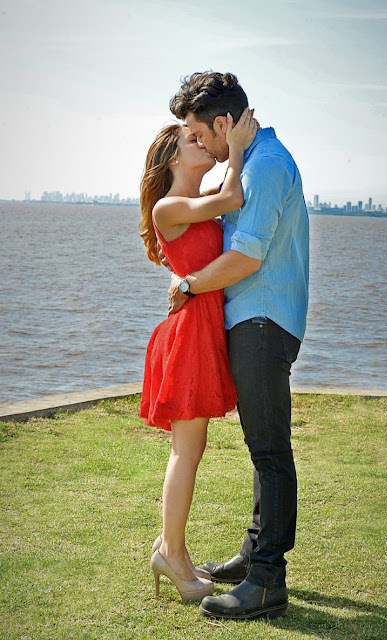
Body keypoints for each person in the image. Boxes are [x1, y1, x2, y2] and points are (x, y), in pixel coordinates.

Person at [167, 72, 309, 620]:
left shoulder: (265, 166)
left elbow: (247, 258)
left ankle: (268, 579)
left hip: (263, 320)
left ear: (224, 124)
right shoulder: (249, 162)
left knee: (269, 449)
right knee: (260, 446)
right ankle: (255, 555)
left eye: (201, 134)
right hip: (252, 318)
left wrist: (188, 285)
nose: (199, 143)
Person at [138, 108, 257, 601]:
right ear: (172, 159)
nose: (203, 144)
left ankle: (170, 549)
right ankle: (172, 554)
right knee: (186, 452)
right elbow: (233, 197)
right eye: (193, 140)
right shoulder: (168, 207)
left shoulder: (194, 199)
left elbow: (222, 206)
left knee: (192, 449)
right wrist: (238, 148)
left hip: (201, 328)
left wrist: (182, 278)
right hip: (188, 335)